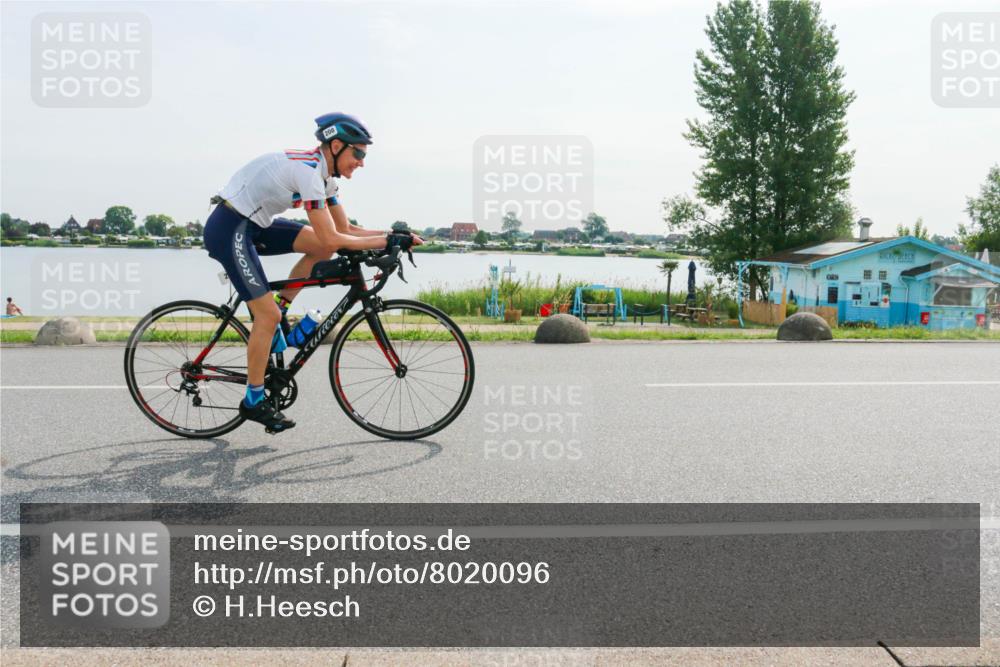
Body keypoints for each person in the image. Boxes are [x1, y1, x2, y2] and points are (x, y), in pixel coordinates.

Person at [203, 113, 421, 433]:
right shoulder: (307, 173)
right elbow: (333, 236)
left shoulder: (324, 177)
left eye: (364, 155)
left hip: (256, 225)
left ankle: (281, 307)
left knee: (320, 250)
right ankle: (253, 400)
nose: (361, 161)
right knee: (267, 317)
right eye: (357, 153)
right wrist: (386, 241)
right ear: (335, 146)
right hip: (229, 227)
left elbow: (344, 229)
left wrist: (392, 234)